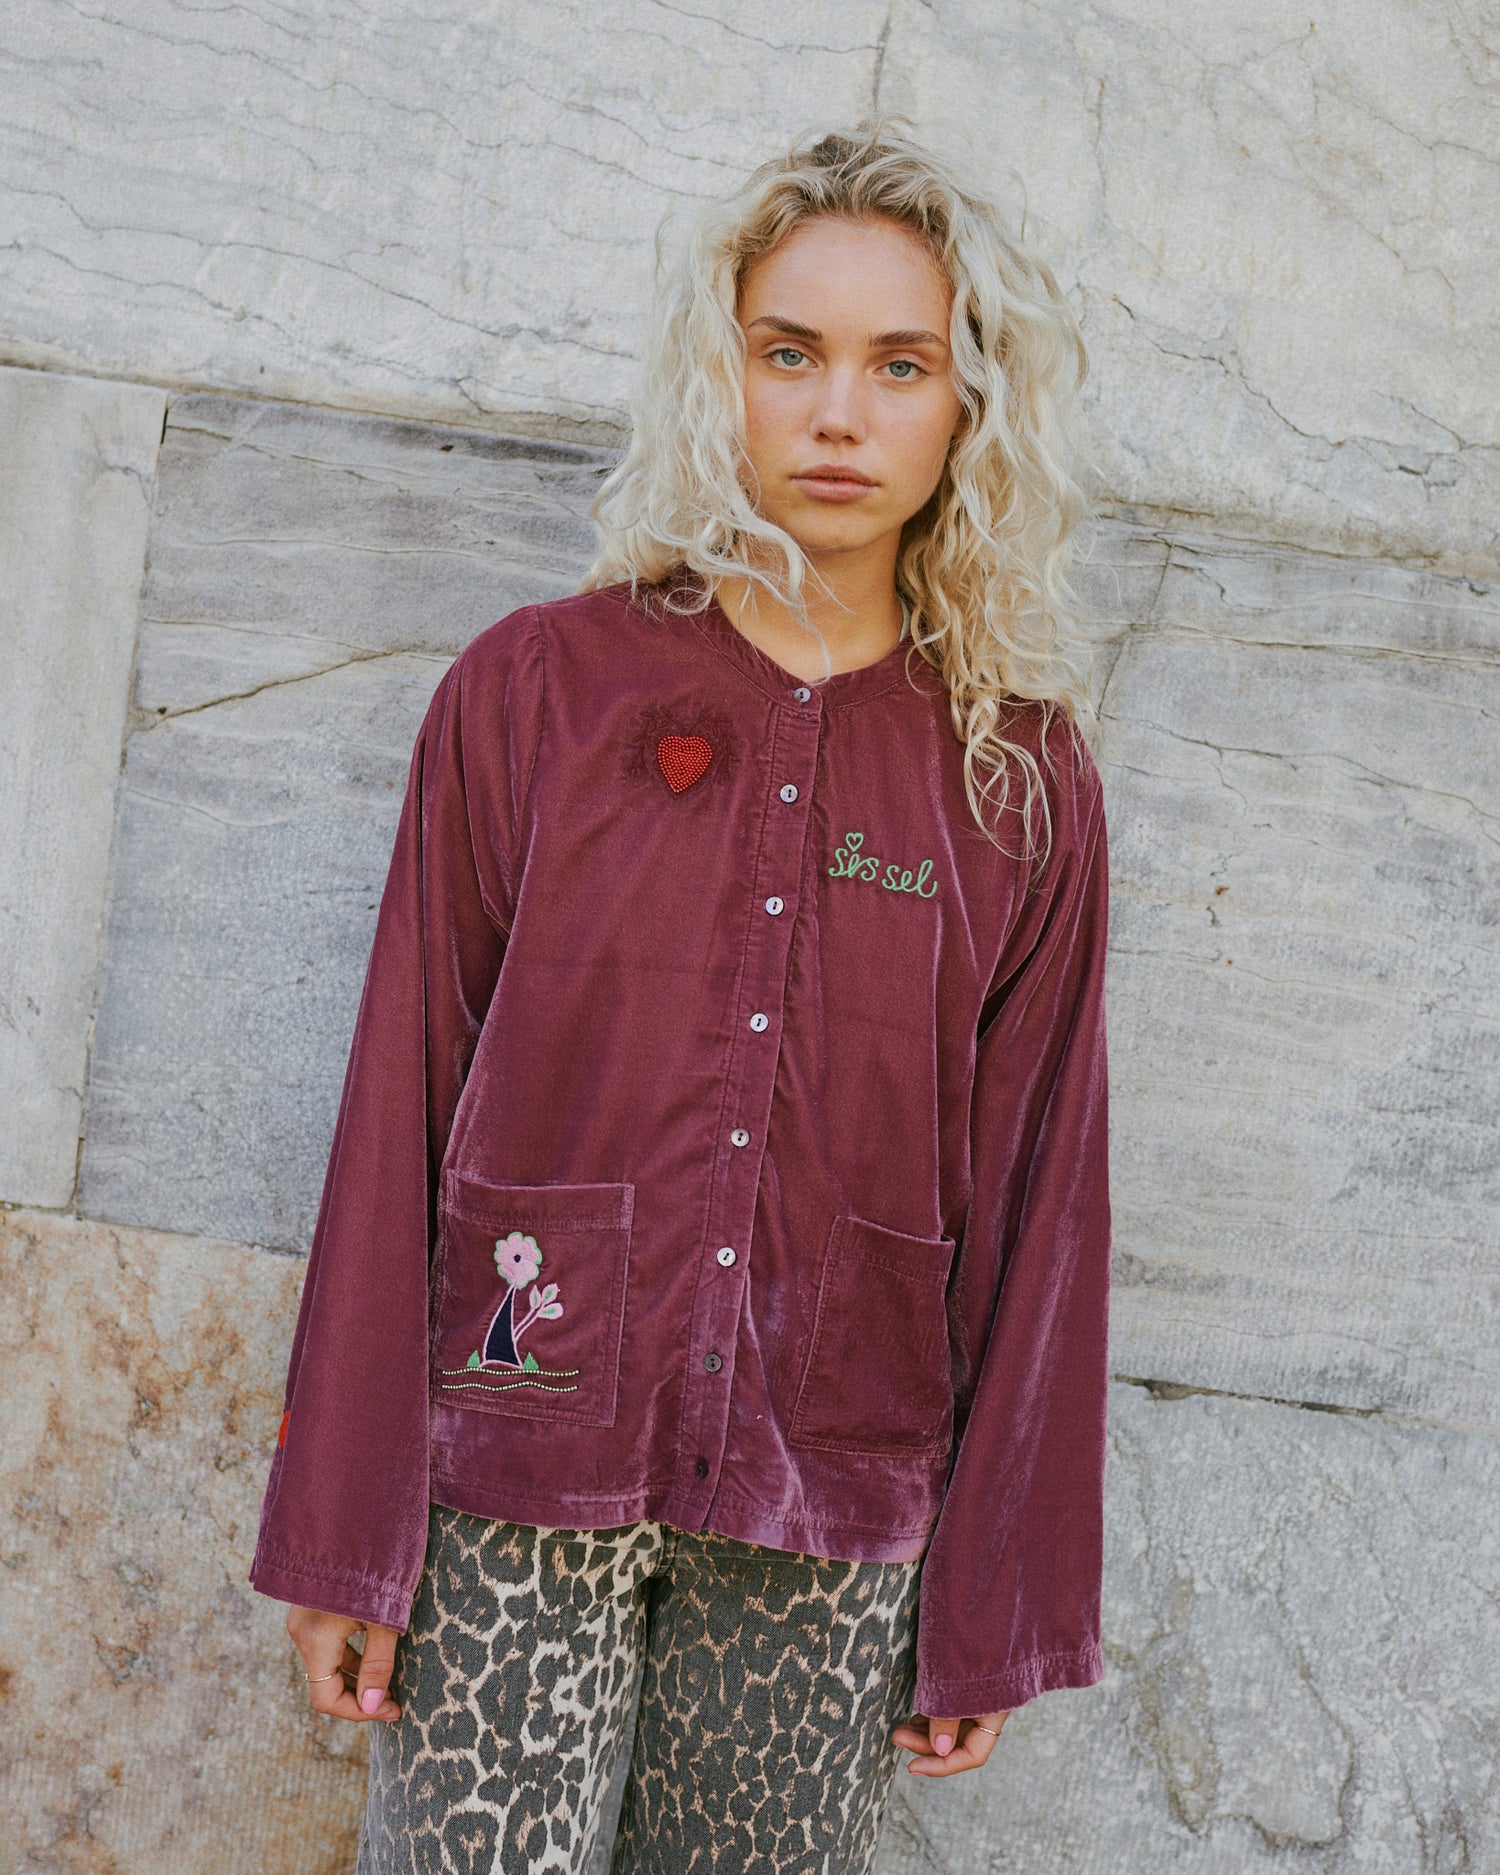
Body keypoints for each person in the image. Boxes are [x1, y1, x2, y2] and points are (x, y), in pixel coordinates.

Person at [250, 116, 1112, 1874]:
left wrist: (991, 1603)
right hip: (518, 1470)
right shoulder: (538, 695)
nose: (839, 412)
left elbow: (1047, 1199)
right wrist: (347, 1532)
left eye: (900, 364)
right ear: (718, 374)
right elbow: (400, 1102)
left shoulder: (1017, 783)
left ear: (972, 404)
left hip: (834, 1508)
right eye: (789, 352)